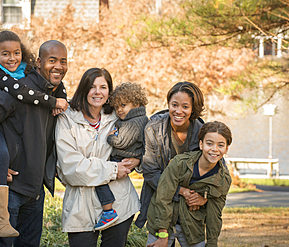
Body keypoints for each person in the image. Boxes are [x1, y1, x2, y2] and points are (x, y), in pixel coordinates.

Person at [0, 31, 68, 238]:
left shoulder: (46, 88)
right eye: (52, 60)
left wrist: (60, 98)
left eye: (63, 61)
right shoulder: (15, 88)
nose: (58, 66)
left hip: (33, 190)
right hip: (8, 188)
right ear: (39, 62)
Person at [55, 68, 140, 247]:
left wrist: (137, 159)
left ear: (109, 91)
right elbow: (71, 167)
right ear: (83, 89)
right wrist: (114, 169)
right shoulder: (66, 119)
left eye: (103, 87)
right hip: (80, 205)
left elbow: (142, 133)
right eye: (92, 87)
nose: (97, 92)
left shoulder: (118, 115)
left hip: (120, 203)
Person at [146, 121, 233, 247]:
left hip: (192, 227)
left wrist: (212, 243)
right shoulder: (179, 163)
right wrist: (162, 235)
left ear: (226, 149)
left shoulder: (222, 179)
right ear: (201, 144)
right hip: (163, 224)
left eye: (220, 145)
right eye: (209, 143)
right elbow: (163, 197)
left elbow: (215, 214)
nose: (214, 149)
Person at [135, 81, 207, 229]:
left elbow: (214, 170)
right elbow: (150, 172)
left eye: (185, 107)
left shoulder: (203, 133)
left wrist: (202, 197)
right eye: (174, 105)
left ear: (193, 109)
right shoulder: (153, 129)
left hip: (191, 204)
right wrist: (181, 191)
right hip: (160, 199)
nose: (178, 111)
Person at [93, 82, 149, 231]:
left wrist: (111, 137)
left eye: (123, 105)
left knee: (99, 176)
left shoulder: (135, 122)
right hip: (125, 157)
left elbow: (122, 141)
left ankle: (108, 211)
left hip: (122, 159)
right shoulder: (133, 119)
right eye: (117, 107)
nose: (119, 110)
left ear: (136, 103)